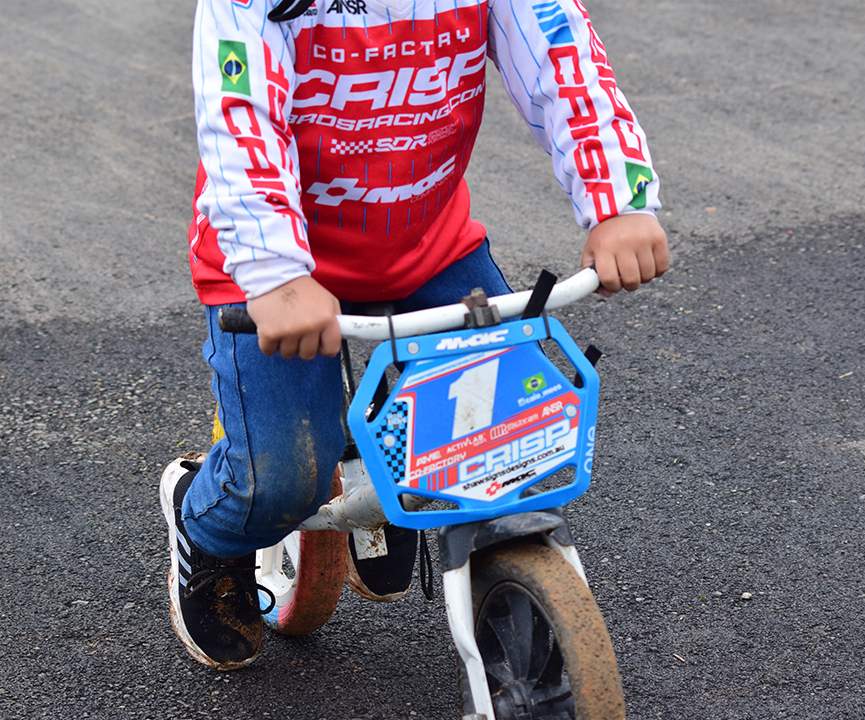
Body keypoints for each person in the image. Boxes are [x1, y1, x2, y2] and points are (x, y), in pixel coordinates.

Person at [161, 0, 668, 670]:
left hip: (425, 243)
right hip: (272, 267)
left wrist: (618, 202)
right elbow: (239, 115)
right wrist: (274, 268)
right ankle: (205, 525)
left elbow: (562, 54)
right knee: (281, 478)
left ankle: (388, 480)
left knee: (506, 424)